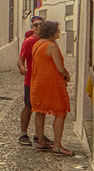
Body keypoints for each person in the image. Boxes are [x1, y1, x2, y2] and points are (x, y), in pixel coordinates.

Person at [30, 19, 74, 155]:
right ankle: (57, 146)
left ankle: (41, 140)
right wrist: (67, 75)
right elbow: (59, 67)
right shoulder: (51, 46)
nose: (59, 32)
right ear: (52, 32)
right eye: (57, 30)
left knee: (40, 111)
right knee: (60, 112)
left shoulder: (37, 44)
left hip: (38, 83)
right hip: (51, 84)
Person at [18, 16, 45, 145]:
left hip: (43, 80)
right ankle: (23, 134)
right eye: (36, 25)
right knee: (28, 106)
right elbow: (21, 59)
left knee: (41, 108)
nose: (38, 27)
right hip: (31, 80)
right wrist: (22, 68)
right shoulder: (29, 41)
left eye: (40, 24)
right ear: (32, 27)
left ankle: (38, 134)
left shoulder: (48, 40)